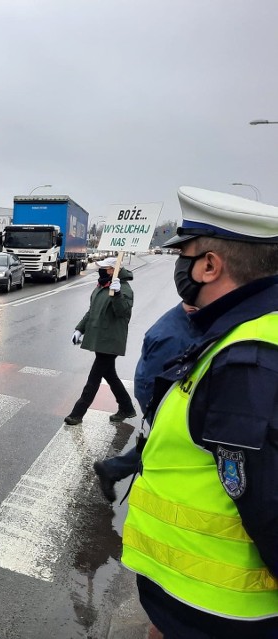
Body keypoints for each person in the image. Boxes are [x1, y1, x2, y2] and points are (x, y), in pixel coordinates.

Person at [121, 186, 278, 638]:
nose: (180, 266)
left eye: (185, 254)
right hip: (193, 602)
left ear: (210, 265)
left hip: (222, 610)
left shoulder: (249, 358)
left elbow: (267, 502)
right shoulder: (234, 335)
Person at [92, 301, 200, 502]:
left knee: (164, 442)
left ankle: (112, 469)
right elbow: (159, 380)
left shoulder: (186, 320)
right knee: (167, 443)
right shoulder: (174, 334)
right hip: (156, 390)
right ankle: (115, 470)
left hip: (146, 380)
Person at [64, 256, 137, 425]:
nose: (100, 270)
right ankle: (126, 407)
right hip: (99, 338)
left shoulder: (124, 289)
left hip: (110, 340)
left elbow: (123, 312)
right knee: (110, 375)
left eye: (104, 268)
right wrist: (79, 329)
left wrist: (117, 294)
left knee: (93, 379)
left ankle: (77, 413)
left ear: (113, 270)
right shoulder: (101, 287)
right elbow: (92, 312)